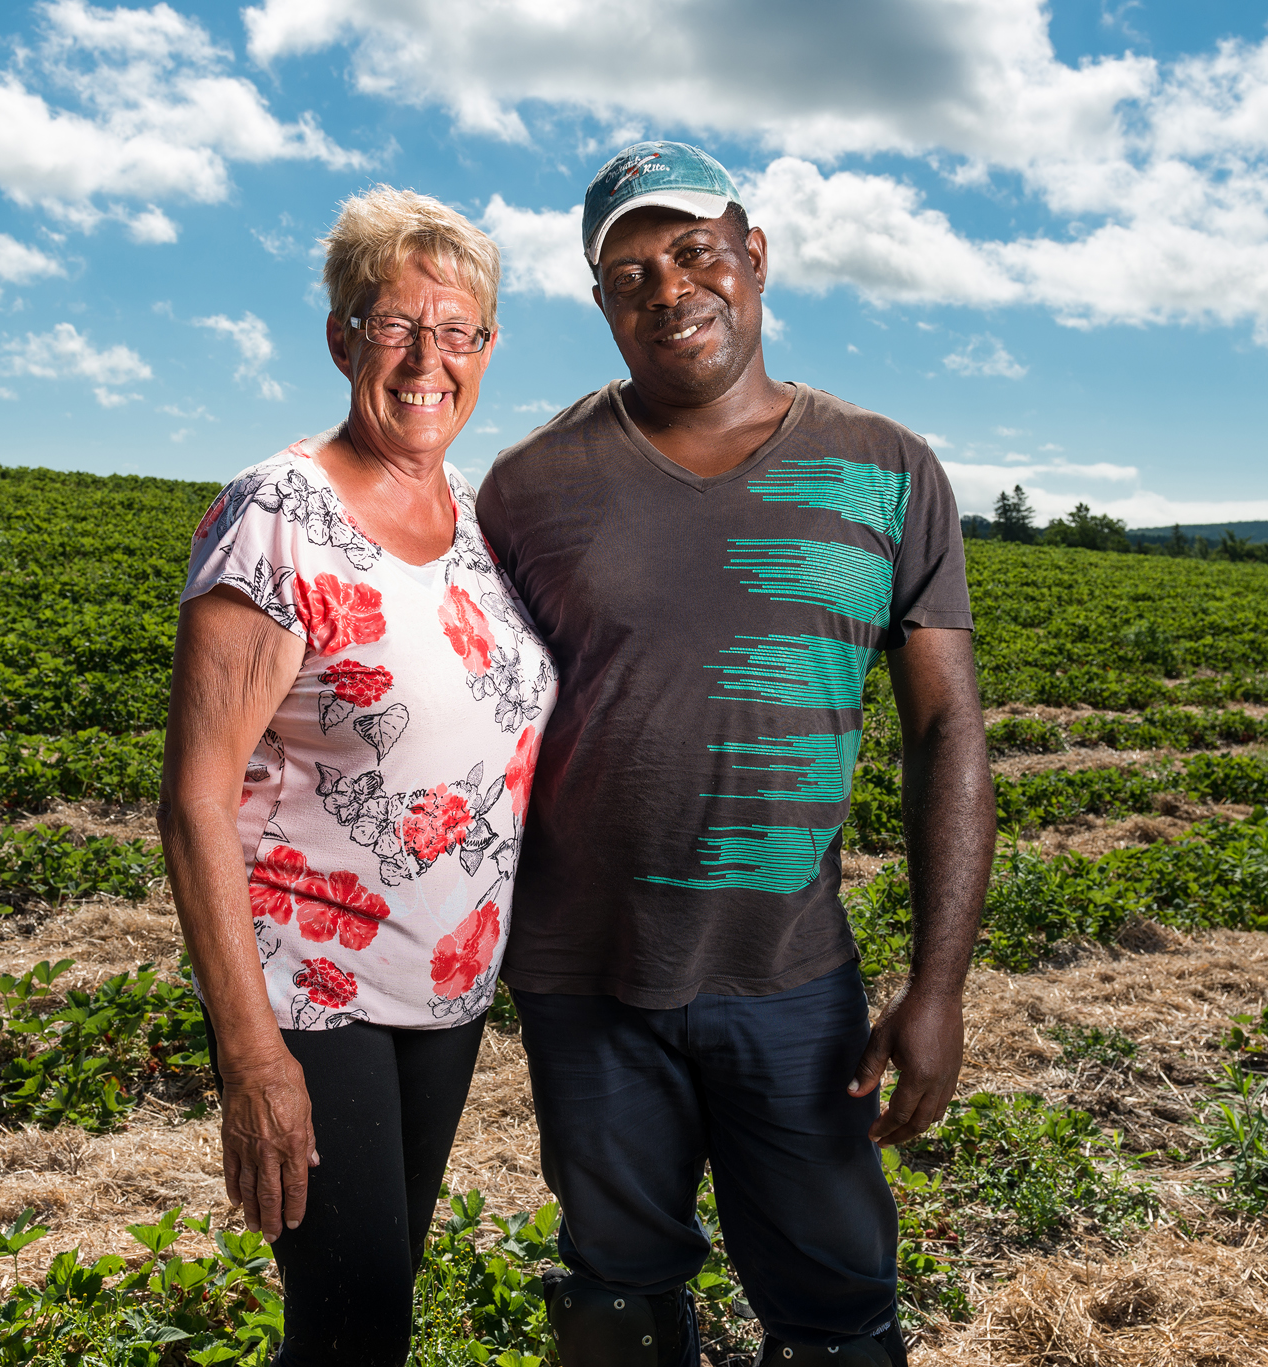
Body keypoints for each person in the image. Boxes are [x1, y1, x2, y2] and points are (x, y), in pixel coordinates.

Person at [476, 142, 995, 1367]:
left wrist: (938, 985)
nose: (668, 288)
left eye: (694, 251)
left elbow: (945, 730)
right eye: (628, 273)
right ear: (601, 306)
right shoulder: (527, 486)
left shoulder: (885, 467)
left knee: (835, 1313)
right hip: (582, 979)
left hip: (789, 979)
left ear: (752, 259)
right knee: (616, 1304)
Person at [160, 186, 557, 1367]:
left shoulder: (475, 519)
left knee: (361, 1312)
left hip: (442, 984)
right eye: (395, 324)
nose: (428, 356)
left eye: (459, 330)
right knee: (356, 1321)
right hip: (311, 983)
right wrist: (250, 1055)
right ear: (342, 337)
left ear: (486, 350)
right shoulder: (278, 513)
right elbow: (192, 799)